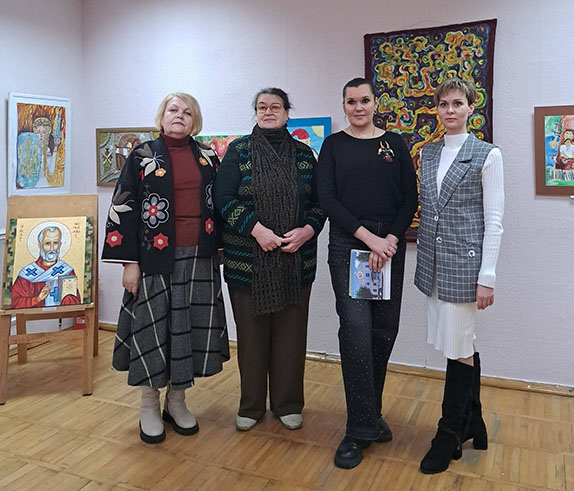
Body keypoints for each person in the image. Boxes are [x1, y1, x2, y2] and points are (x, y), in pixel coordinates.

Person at [102, 92, 229, 444]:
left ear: (195, 121)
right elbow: (122, 207)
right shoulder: (142, 156)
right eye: (173, 110)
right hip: (153, 258)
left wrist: (220, 251)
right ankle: (148, 404)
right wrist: (129, 264)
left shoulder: (207, 157)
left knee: (187, 330)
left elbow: (218, 207)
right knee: (153, 330)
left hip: (199, 257)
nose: (180, 115)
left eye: (187, 112)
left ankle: (177, 400)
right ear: (161, 117)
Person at [317, 77, 418, 469]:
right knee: (356, 331)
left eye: (364, 100)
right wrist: (368, 239)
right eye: (350, 101)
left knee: (383, 331)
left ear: (376, 103)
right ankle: (358, 429)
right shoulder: (333, 146)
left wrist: (388, 239)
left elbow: (409, 197)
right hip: (348, 243)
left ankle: (371, 414)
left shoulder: (394, 144)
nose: (358, 107)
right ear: (343, 106)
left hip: (389, 245)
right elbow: (328, 199)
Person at [213, 87, 324, 432]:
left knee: (291, 338)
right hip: (247, 262)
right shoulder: (239, 151)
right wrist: (256, 230)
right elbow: (223, 198)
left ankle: (288, 404)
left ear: (288, 113)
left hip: (295, 261)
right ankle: (251, 406)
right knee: (251, 338)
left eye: (275, 106)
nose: (268, 111)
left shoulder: (304, 155)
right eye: (262, 107)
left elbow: (320, 203)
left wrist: (307, 230)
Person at [414, 77, 504, 474]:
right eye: (444, 104)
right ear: (437, 109)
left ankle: (448, 432)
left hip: (465, 267)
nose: (450, 110)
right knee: (460, 342)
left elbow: (494, 221)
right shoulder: (429, 153)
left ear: (470, 108)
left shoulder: (487, 154)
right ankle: (474, 422)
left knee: (458, 347)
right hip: (434, 264)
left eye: (457, 103)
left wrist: (488, 276)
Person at [10, 225, 80, 308]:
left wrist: (67, 299)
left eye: (55, 243)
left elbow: (76, 303)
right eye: (47, 243)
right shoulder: (27, 273)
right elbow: (14, 303)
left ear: (60, 245)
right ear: (40, 245)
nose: (52, 249)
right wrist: (37, 299)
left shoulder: (67, 271)